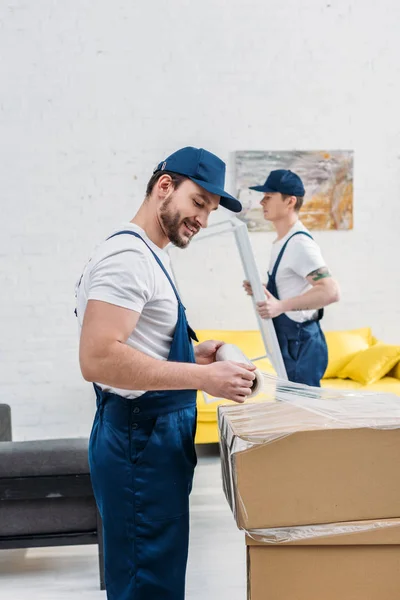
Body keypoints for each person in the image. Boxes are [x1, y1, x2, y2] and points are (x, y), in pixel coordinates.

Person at [75, 146, 256, 600]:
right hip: (139, 443)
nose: (202, 219)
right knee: (146, 581)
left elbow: (137, 345)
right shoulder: (127, 260)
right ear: (164, 187)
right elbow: (97, 359)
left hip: (152, 442)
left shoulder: (152, 254)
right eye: (198, 203)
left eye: (210, 211)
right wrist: (205, 381)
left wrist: (194, 357)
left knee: (155, 573)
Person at [243, 169, 340, 387]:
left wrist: (280, 306)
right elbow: (293, 286)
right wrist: (263, 289)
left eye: (268, 196)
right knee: (291, 414)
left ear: (290, 202)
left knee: (301, 417)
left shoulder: (299, 244)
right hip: (292, 343)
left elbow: (330, 291)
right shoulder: (283, 241)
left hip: (301, 346)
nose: (261, 202)